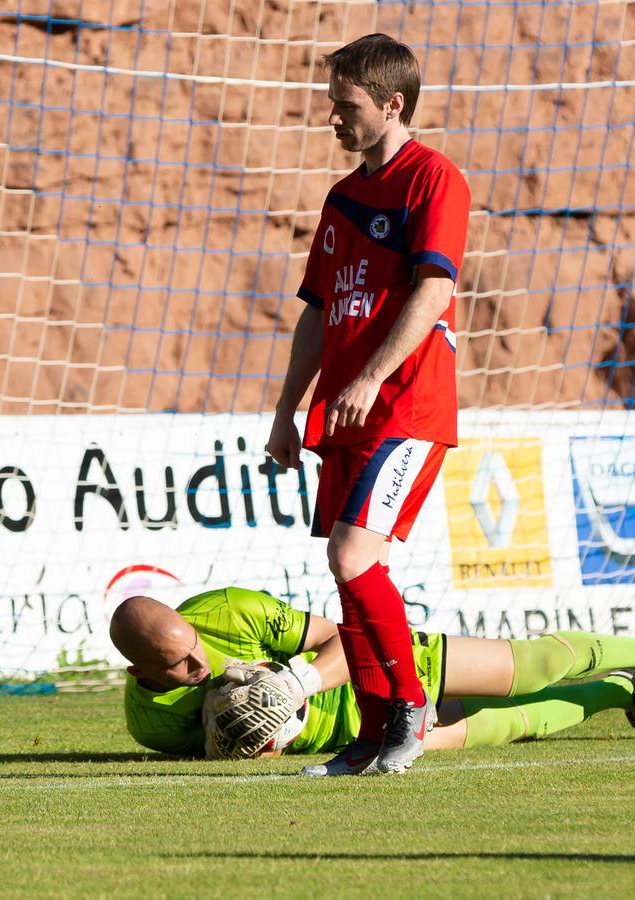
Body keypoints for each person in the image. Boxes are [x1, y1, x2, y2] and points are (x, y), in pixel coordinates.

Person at [264, 33, 472, 775]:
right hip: (347, 410)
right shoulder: (344, 198)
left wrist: (372, 378)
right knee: (343, 563)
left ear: (392, 104)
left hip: (406, 405)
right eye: (331, 104)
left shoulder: (433, 179)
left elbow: (434, 290)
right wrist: (289, 408)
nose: (332, 118)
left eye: (345, 105)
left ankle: (410, 708)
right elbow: (319, 309)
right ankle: (374, 731)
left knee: (355, 555)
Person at [110, 589, 635, 764]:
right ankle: (623, 692)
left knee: (531, 667)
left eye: (197, 650)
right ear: (139, 670)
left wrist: (297, 684)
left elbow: (351, 633)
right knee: (514, 727)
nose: (202, 666)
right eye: (183, 666)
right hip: (348, 733)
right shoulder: (150, 725)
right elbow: (233, 747)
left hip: (373, 668)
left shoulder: (228, 611)